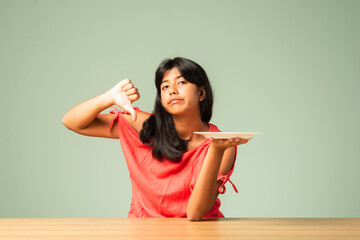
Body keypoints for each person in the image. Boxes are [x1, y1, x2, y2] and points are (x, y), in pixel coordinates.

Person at [62, 57, 250, 221]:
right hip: (145, 231)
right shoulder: (144, 124)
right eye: (165, 86)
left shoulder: (222, 145)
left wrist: (215, 150)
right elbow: (71, 121)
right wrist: (109, 97)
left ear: (201, 93)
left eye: (182, 82)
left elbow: (195, 214)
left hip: (201, 234)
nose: (172, 90)